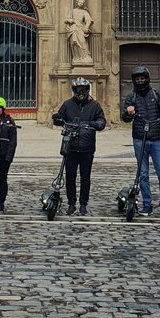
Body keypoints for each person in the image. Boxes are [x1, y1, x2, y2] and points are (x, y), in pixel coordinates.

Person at [121, 65, 160, 218]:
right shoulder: (131, 97)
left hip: (156, 139)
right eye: (137, 79)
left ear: (147, 79)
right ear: (134, 81)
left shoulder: (156, 94)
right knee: (143, 174)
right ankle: (147, 205)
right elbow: (124, 118)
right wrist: (128, 112)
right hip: (140, 138)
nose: (140, 81)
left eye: (142, 78)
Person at [52, 76, 106, 216]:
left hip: (87, 147)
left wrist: (93, 124)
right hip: (70, 146)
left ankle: (83, 204)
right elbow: (59, 117)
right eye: (78, 89)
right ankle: (71, 203)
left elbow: (101, 121)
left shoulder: (95, 105)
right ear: (74, 90)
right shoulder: (67, 104)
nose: (80, 92)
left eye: (83, 89)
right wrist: (57, 118)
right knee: (70, 176)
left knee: (85, 177)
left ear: (87, 90)